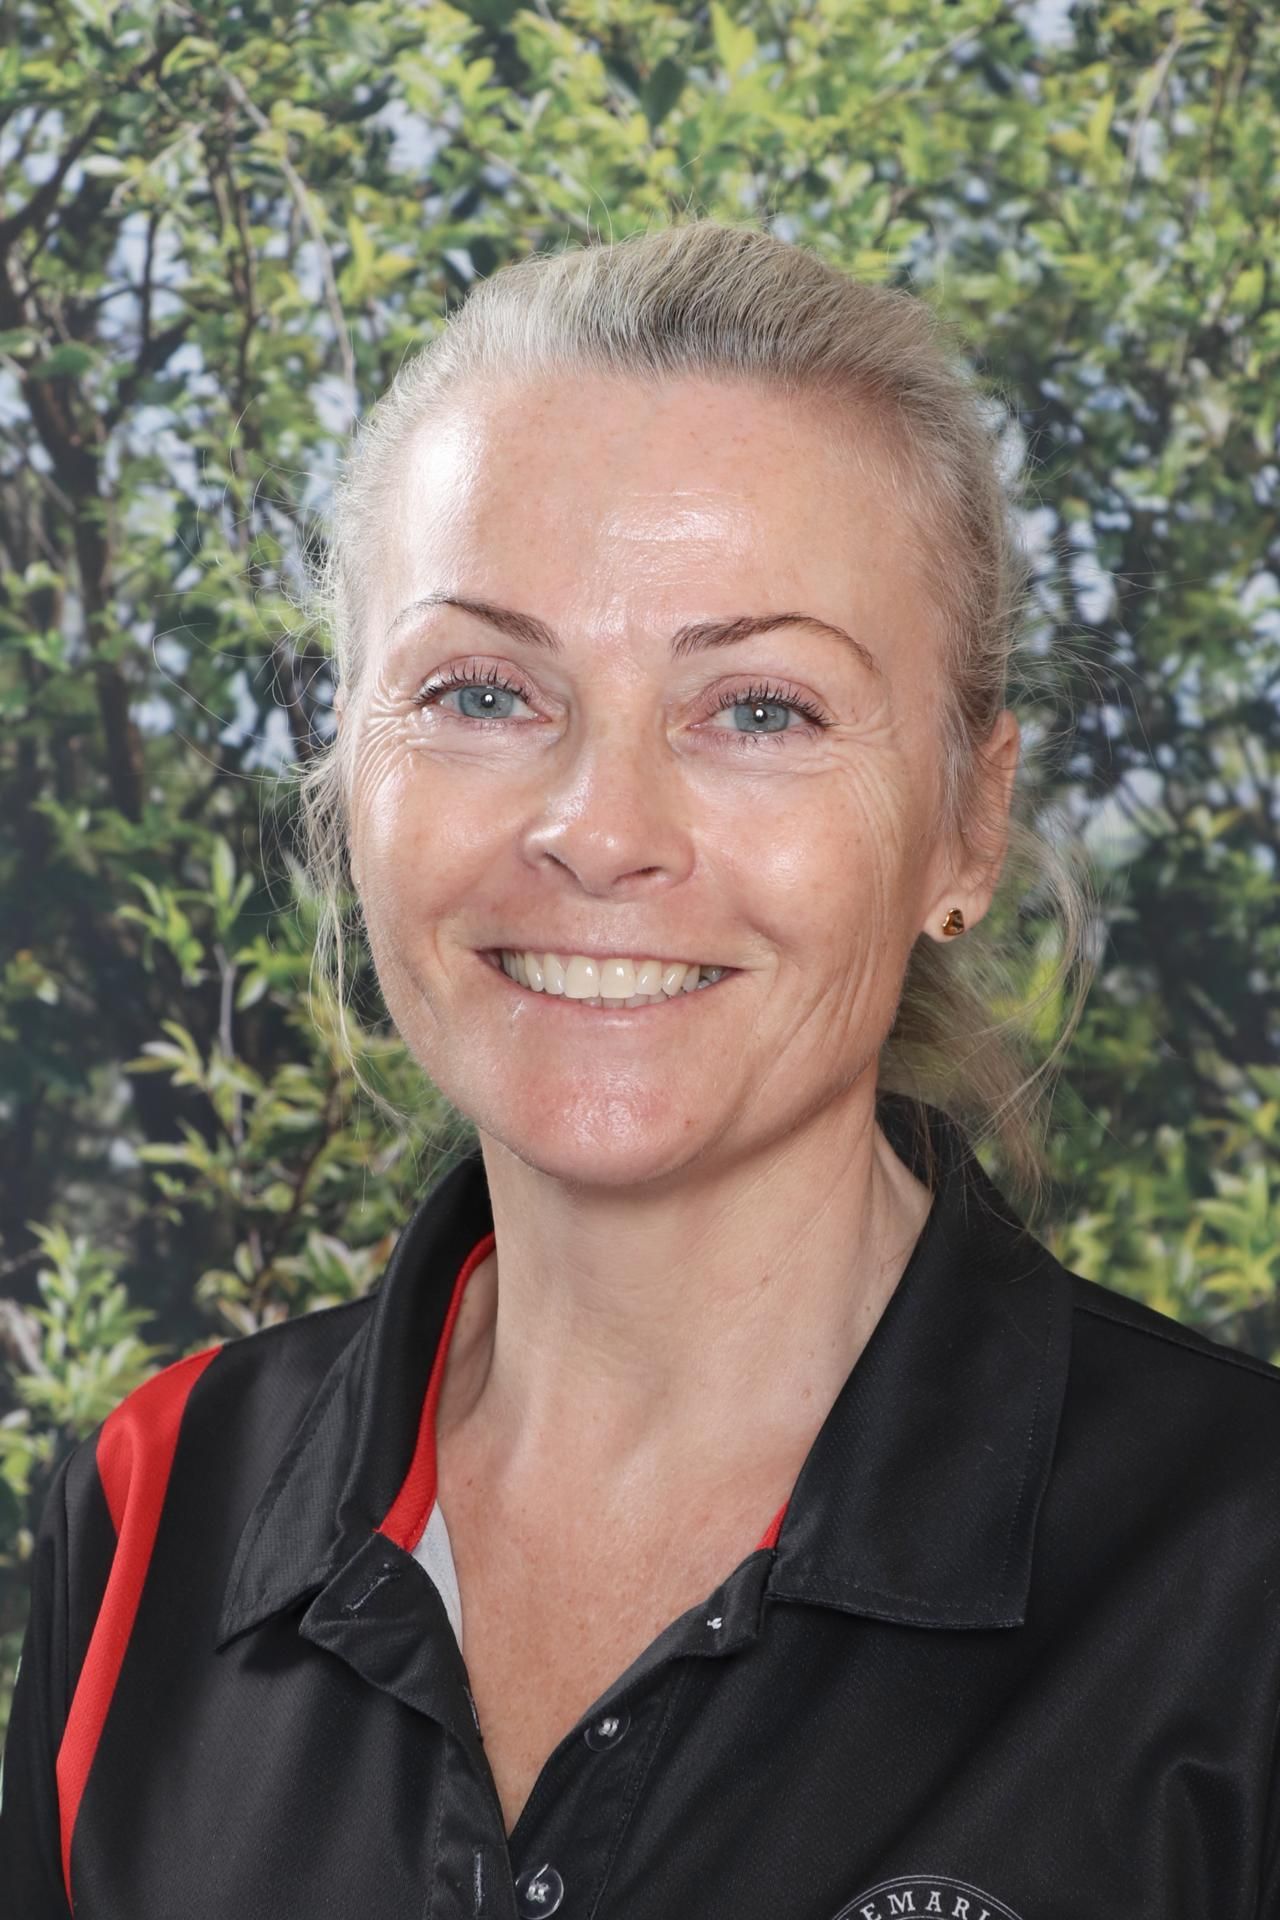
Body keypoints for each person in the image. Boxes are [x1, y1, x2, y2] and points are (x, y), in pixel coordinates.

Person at [3, 218, 1279, 1920]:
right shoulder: (152, 1513)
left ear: (966, 826)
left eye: (759, 710)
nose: (601, 831)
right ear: (348, 779)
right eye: (483, 692)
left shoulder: (1240, 1582)